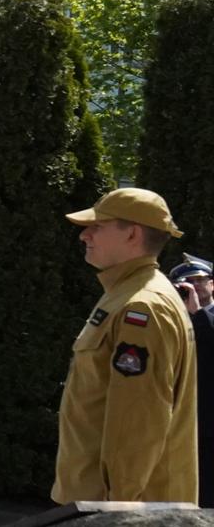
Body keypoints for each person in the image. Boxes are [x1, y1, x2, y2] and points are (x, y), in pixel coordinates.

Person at [53, 188, 196, 505]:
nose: (84, 235)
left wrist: (119, 507)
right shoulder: (131, 293)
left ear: (132, 234)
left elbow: (136, 426)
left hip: (117, 507)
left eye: (97, 226)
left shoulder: (141, 306)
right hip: (109, 502)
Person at [168, 255, 214, 507]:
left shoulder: (204, 317)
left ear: (212, 284)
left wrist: (197, 314)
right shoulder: (170, 317)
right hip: (179, 412)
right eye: (187, 284)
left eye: (199, 280)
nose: (194, 287)